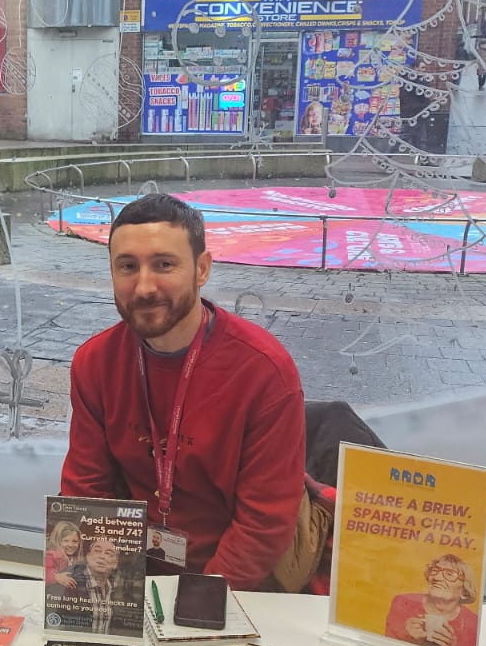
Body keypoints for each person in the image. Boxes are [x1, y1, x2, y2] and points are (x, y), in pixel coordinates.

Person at [62, 193, 307, 590]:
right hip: (128, 573)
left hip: (230, 582)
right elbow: (87, 490)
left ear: (202, 269)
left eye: (164, 265)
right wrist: (108, 585)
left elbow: (263, 524)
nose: (143, 287)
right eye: (127, 266)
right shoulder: (94, 363)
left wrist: (198, 601)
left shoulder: (264, 372)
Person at [384, 553, 480, 646]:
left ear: (464, 590)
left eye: (449, 574)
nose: (437, 578)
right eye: (435, 571)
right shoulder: (404, 603)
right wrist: (407, 637)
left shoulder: (473, 624)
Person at [44, 520, 81, 588]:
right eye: (66, 541)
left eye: (75, 541)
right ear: (57, 540)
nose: (70, 545)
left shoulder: (74, 559)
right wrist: (56, 577)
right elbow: (43, 571)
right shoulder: (51, 555)